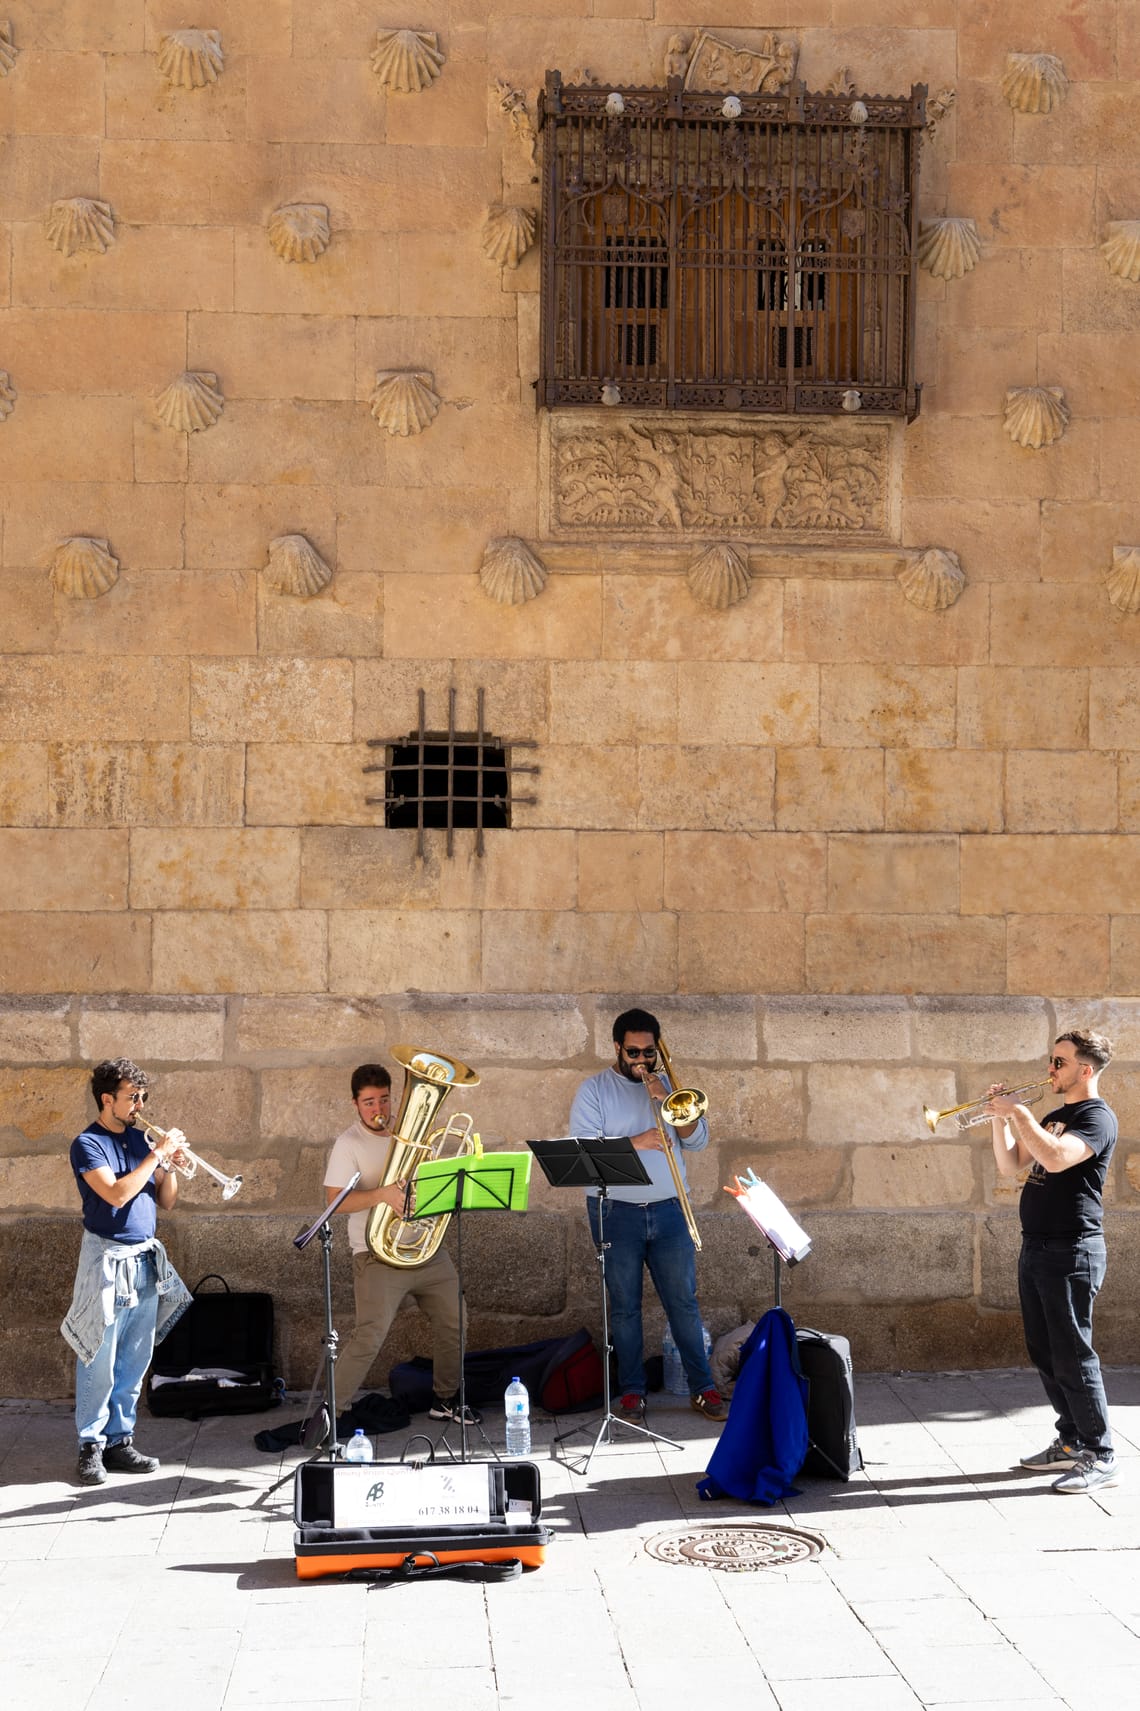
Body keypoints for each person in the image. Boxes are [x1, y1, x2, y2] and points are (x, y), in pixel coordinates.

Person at [568, 1008, 725, 1421]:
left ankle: (703, 1388)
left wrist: (665, 1099)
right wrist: (636, 1141)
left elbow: (698, 1141)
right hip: (614, 1211)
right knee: (624, 1306)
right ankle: (633, 1390)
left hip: (670, 1208)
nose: (641, 1060)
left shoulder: (669, 1087)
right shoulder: (594, 1089)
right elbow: (582, 1152)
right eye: (633, 1052)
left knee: (683, 1303)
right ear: (617, 1048)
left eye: (649, 1052)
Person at [986, 1029, 1118, 1494]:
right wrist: (999, 1120)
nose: (1050, 1069)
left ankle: (1100, 1453)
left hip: (1072, 1250)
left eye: (1059, 1062)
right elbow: (1010, 1166)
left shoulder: (1097, 1118)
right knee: (1044, 1350)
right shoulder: (1056, 1115)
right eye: (1051, 1060)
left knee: (1073, 1353)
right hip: (1037, 1246)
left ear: (1085, 1069)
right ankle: (1070, 1441)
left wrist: (1019, 1113)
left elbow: (1058, 1159)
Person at [323, 1062, 480, 1425]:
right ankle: (332, 1413)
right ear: (354, 1104)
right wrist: (383, 1195)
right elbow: (334, 1202)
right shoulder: (349, 1144)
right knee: (370, 1336)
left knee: (455, 1320)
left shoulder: (413, 1134)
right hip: (376, 1253)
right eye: (368, 1103)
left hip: (425, 1248)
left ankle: (447, 1400)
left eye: (383, 1100)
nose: (378, 1110)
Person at [61, 1058, 191, 1487]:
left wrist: (168, 1164)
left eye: (143, 1096)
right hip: (106, 1258)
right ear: (106, 1099)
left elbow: (166, 1201)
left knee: (136, 1358)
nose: (139, 1105)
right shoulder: (87, 1144)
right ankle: (90, 1445)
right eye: (131, 1097)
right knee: (99, 1355)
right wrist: (155, 1153)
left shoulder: (139, 1140)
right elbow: (116, 1194)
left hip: (144, 1259)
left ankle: (119, 1440)